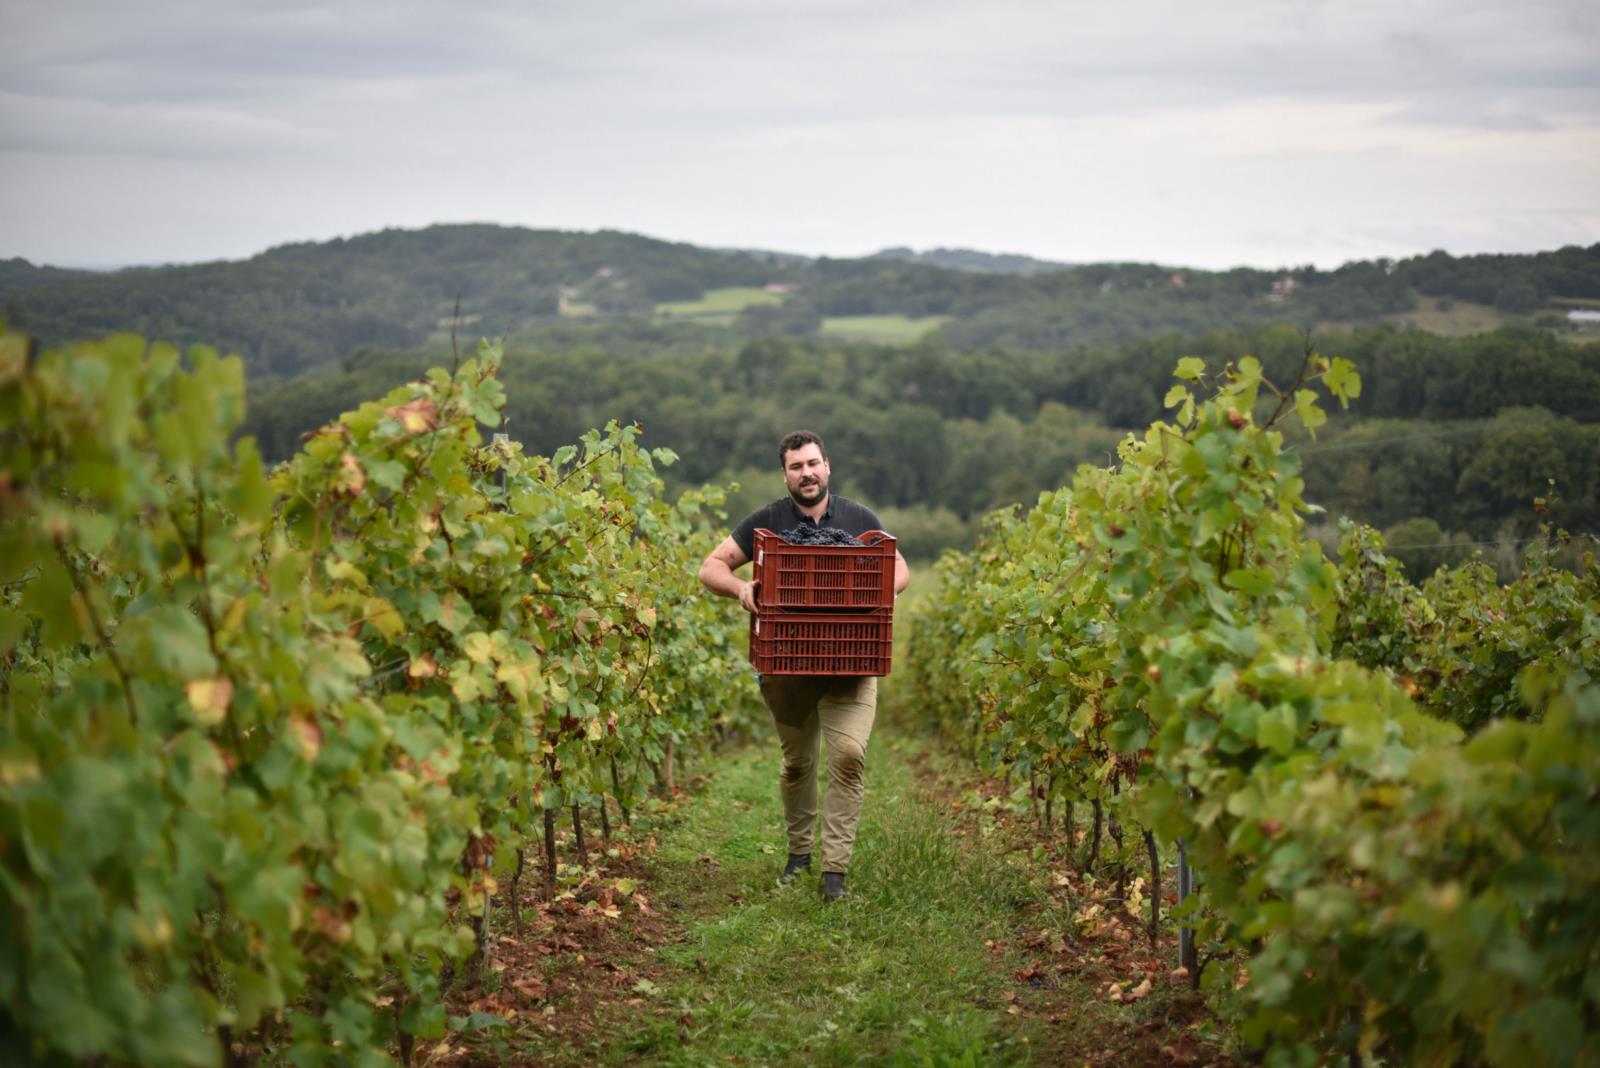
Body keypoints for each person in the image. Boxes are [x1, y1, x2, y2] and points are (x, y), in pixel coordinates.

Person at [698, 430, 910, 902]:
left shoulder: (859, 519)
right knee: (797, 764)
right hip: (787, 666)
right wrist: (740, 589)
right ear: (786, 474)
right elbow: (710, 566)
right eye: (796, 467)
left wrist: (880, 591)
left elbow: (899, 568)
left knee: (849, 757)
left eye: (813, 463)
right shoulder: (766, 522)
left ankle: (834, 874)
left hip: (852, 663)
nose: (807, 473)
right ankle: (798, 856)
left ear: (827, 466)